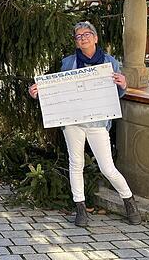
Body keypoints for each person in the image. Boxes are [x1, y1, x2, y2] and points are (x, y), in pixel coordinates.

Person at [29, 21, 141, 227]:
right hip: (73, 123)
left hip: (98, 123)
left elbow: (117, 93)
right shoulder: (68, 63)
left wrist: (123, 85)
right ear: (76, 42)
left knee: (107, 167)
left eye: (87, 34)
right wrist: (38, 93)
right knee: (76, 164)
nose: (83, 38)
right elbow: (57, 90)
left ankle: (129, 201)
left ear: (96, 38)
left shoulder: (110, 63)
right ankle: (80, 208)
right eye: (78, 36)